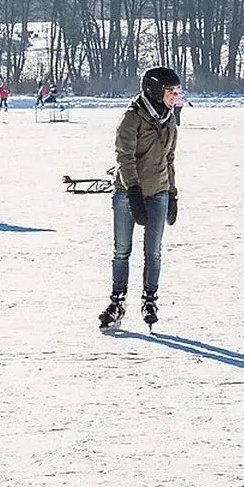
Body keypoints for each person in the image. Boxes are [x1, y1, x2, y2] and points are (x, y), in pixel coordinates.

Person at [98, 66, 181, 333]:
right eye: (171, 92)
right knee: (122, 250)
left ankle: (149, 299)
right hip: (127, 193)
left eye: (177, 92)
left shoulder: (169, 119)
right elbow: (125, 157)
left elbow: (169, 158)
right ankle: (117, 301)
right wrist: (133, 191)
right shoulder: (131, 118)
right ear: (156, 91)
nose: (175, 97)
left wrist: (173, 192)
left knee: (153, 252)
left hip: (158, 192)